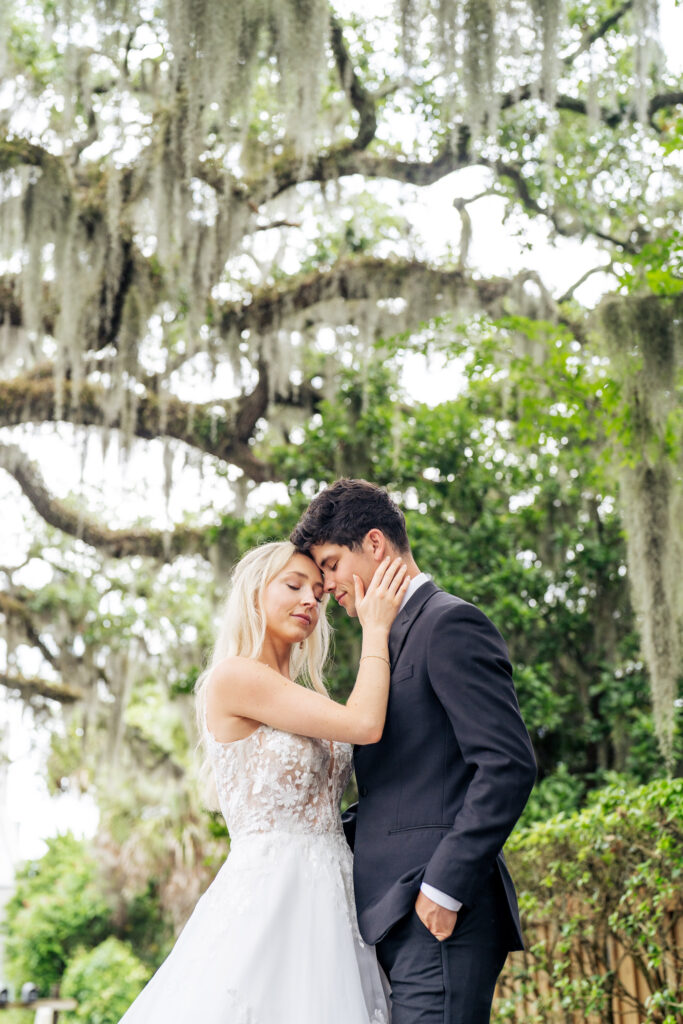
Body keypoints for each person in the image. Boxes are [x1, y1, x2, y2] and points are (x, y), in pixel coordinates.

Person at [118, 539, 409, 1024]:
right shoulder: (235, 677)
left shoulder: (299, 693)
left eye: (318, 591)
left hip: (335, 894)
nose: (310, 600)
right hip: (272, 892)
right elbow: (364, 725)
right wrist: (376, 628)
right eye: (293, 586)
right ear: (254, 595)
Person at [290, 479, 537, 1024]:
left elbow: (507, 765)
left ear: (374, 544)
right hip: (393, 917)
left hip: (438, 916)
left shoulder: (450, 625)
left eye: (331, 564)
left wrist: (443, 888)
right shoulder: (387, 640)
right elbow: (403, 785)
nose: (326, 586)